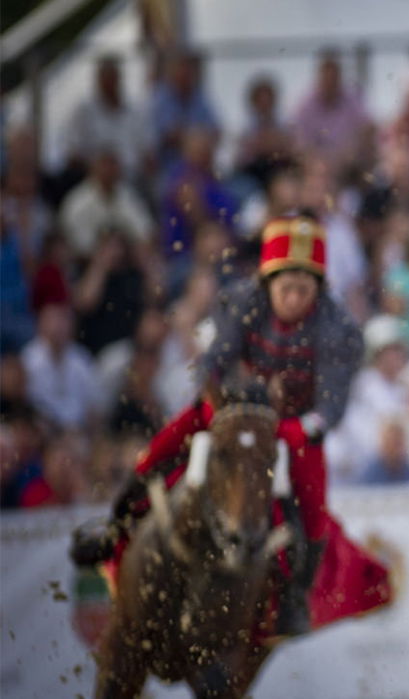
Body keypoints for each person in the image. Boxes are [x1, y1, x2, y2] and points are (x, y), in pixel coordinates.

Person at [70, 214, 364, 637]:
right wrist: (234, 398)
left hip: (293, 426)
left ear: (319, 288)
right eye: (287, 288)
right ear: (268, 284)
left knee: (314, 505)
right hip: (236, 407)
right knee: (162, 446)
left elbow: (332, 405)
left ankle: (296, 592)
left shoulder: (340, 329)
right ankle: (113, 528)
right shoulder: (241, 302)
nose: (295, 297)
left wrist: (302, 428)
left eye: (305, 288)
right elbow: (214, 362)